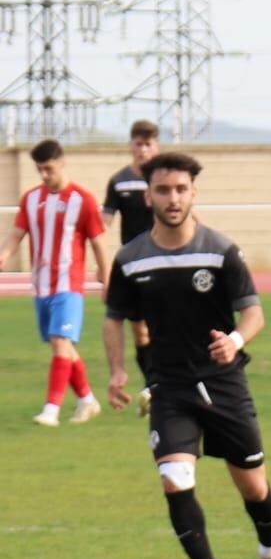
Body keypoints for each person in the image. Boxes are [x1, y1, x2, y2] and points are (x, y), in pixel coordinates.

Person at [100, 152, 271, 559]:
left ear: (194, 193)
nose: (173, 198)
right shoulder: (130, 259)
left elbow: (253, 312)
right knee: (174, 477)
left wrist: (234, 339)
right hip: (169, 388)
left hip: (224, 384)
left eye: (181, 189)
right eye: (164, 190)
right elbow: (114, 318)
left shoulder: (221, 250)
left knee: (254, 486)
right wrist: (116, 372)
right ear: (148, 195)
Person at [2, 139, 111, 426]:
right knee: (61, 346)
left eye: (49, 169)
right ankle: (87, 399)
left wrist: (106, 277)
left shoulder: (82, 200)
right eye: (40, 170)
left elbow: (99, 242)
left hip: (68, 285)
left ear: (62, 164)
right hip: (42, 285)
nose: (44, 175)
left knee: (62, 343)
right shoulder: (31, 199)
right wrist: (4, 255)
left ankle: (52, 408)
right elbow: (17, 233)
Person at [104, 120, 161, 386]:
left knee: (166, 326)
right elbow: (103, 224)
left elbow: (188, 216)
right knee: (140, 332)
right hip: (134, 267)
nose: (143, 149)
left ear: (156, 146)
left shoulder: (163, 181)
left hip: (164, 262)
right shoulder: (119, 182)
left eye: (148, 144)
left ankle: (165, 382)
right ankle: (152, 383)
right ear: (131, 146)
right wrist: (103, 265)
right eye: (139, 144)